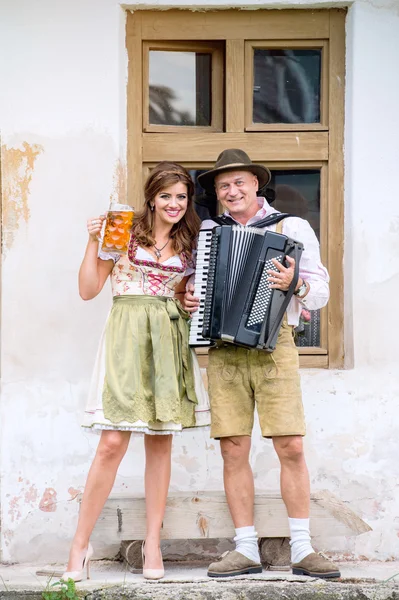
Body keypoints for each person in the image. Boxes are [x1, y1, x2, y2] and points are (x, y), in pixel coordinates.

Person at [184, 149, 340, 579]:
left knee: (290, 445)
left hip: (277, 346)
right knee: (233, 449)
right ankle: (246, 549)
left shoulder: (292, 227)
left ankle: (303, 549)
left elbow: (321, 292)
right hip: (225, 352)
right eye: (223, 186)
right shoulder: (211, 232)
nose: (231, 191)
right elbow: (199, 287)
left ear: (256, 184)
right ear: (217, 193)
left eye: (239, 183)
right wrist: (192, 299)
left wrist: (296, 284)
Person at [63, 162, 210, 582]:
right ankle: (80, 545)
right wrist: (92, 241)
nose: (175, 204)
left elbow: (184, 296)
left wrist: (187, 303)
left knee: (161, 443)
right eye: (166, 196)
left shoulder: (191, 244)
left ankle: (152, 544)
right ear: (151, 198)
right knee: (111, 442)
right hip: (126, 340)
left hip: (168, 341)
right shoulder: (122, 234)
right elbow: (88, 290)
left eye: (181, 196)